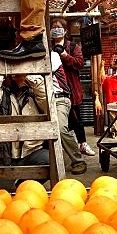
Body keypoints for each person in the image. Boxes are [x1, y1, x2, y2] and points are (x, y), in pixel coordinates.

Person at [0, 71, 51, 192]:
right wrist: (2, 72)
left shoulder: (35, 97)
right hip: (5, 157)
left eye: (19, 74)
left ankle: (20, 186)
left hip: (31, 154)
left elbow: (47, 97)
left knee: (48, 160)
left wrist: (27, 73)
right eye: (13, 74)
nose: (16, 76)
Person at [50, 18, 95, 156]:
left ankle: (82, 144)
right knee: (61, 120)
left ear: (65, 31)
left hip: (71, 89)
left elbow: (80, 63)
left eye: (58, 27)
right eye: (53, 27)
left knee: (76, 118)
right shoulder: (48, 46)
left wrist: (64, 55)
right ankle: (66, 147)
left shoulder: (73, 47)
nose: (55, 29)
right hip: (55, 89)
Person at [50, 38, 86, 175]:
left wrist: (65, 54)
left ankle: (78, 160)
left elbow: (79, 63)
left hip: (61, 98)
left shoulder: (54, 56)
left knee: (61, 129)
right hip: (44, 99)